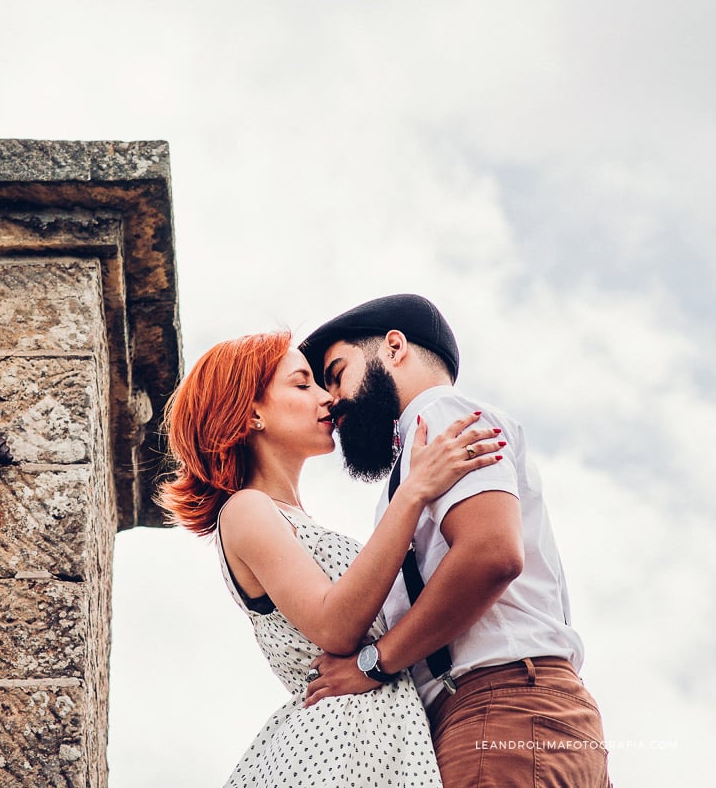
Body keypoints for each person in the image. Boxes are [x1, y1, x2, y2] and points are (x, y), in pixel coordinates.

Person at [156, 330, 504, 787]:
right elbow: (334, 626)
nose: (329, 398)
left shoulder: (294, 519)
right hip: (336, 746)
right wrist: (415, 491)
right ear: (252, 412)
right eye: (303, 384)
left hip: (383, 737)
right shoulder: (245, 510)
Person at [298, 294, 611, 788]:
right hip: (513, 709)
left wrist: (373, 664)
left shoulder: (438, 414)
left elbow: (491, 555)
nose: (332, 397)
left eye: (337, 373)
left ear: (395, 347)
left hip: (499, 703)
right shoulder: (417, 458)